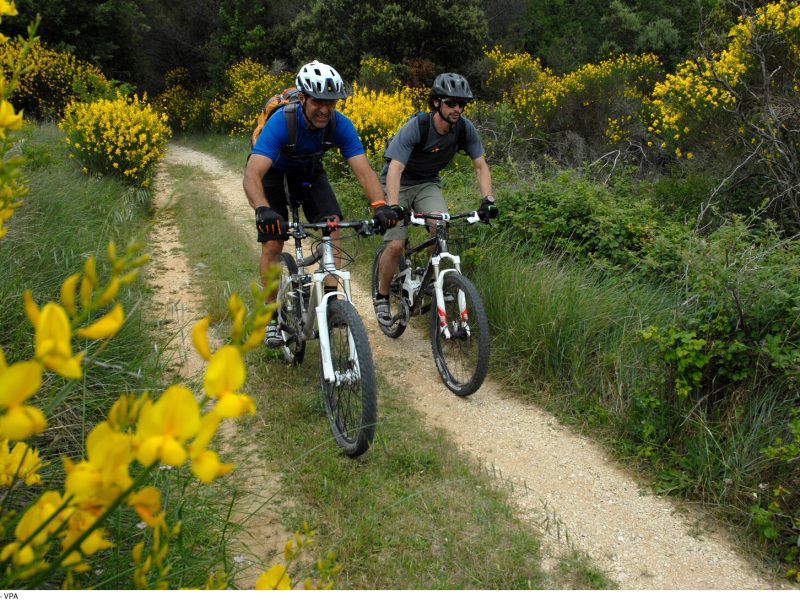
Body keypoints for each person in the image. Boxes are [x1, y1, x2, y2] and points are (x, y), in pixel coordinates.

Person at [243, 60, 398, 347]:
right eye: (318, 102)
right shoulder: (282, 122)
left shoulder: (339, 125)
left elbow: (363, 170)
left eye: (332, 102)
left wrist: (380, 204)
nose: (325, 110)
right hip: (273, 174)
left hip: (309, 171)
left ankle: (330, 301)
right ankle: (271, 315)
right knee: (274, 242)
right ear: (302, 98)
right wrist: (262, 209)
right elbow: (253, 174)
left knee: (332, 225)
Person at [373, 72, 497, 326]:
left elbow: (481, 166)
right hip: (398, 182)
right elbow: (395, 168)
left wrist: (488, 199)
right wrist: (394, 206)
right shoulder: (418, 127)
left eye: (462, 104)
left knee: (439, 227)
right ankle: (382, 296)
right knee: (396, 245)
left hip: (427, 183)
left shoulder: (463, 128)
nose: (457, 109)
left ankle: (433, 281)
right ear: (436, 103)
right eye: (451, 103)